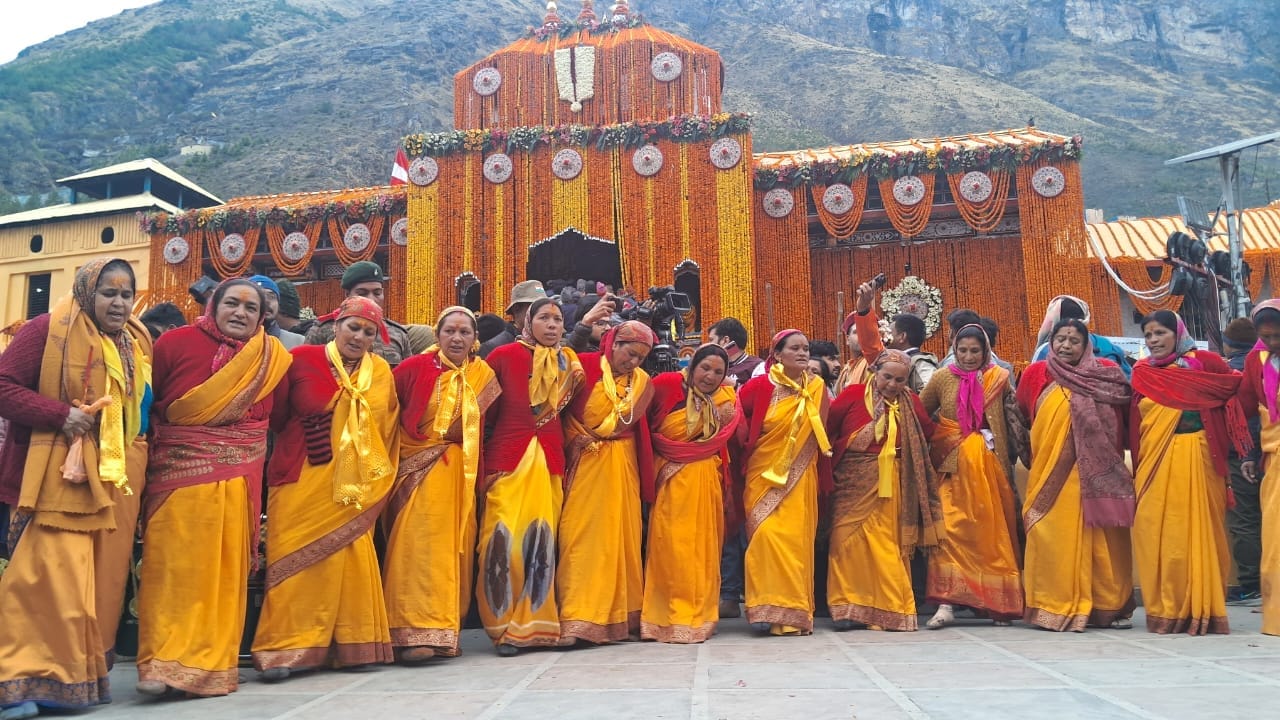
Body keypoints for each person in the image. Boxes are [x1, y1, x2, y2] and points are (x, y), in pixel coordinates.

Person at [0, 258, 152, 719]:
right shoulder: (49, 329)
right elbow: (2, 384)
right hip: (44, 477)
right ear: (87, 291)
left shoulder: (127, 343)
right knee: (40, 582)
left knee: (75, 589)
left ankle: (66, 681)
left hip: (98, 485)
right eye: (109, 292)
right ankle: (17, 683)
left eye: (127, 294)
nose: (120, 302)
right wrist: (59, 415)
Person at [137, 278, 291, 697]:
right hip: (177, 474)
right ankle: (159, 663)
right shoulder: (172, 345)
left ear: (263, 318)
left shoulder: (272, 357)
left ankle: (210, 666)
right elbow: (148, 407)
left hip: (241, 478)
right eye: (232, 304)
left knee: (224, 570)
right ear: (213, 304)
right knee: (171, 568)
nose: (240, 313)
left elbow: (275, 421)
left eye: (251, 308)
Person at [252, 296, 400, 679]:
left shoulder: (381, 372)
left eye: (368, 332)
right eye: (353, 327)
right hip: (302, 475)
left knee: (349, 559)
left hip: (354, 486)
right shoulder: (302, 360)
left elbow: (386, 428)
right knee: (294, 563)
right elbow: (279, 417)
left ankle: (352, 645)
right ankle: (284, 650)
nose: (359, 336)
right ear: (337, 326)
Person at [385, 307, 500, 661]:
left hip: (460, 478)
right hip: (416, 472)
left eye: (465, 332)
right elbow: (388, 415)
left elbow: (489, 426)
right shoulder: (412, 369)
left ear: (474, 338)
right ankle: (408, 633)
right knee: (416, 550)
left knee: (455, 551)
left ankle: (444, 633)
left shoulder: (484, 375)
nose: (457, 338)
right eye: (450, 331)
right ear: (437, 336)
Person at [477, 298, 584, 656]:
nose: (552, 325)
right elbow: (483, 414)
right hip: (508, 459)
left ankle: (534, 626)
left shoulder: (570, 364)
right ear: (528, 321)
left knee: (540, 543)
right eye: (544, 318)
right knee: (501, 540)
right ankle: (502, 627)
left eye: (557, 319)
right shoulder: (503, 357)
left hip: (549, 460)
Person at [1130, 310, 1247, 635]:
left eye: (1160, 333)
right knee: (1156, 532)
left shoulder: (1204, 363)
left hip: (1200, 457)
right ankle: (1166, 608)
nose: (1153, 340)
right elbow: (1134, 422)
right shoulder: (1142, 372)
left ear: (1177, 333)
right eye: (1149, 335)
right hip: (1156, 462)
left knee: (1200, 532)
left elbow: (1233, 389)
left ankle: (1202, 608)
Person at [1017, 319, 1136, 632]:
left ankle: (1105, 607)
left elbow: (1122, 423)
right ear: (1050, 342)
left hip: (1097, 478)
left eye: (1074, 340)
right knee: (1050, 533)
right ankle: (1052, 605)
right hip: (1050, 473)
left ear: (1086, 346)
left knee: (1101, 539)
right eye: (1060, 339)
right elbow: (1023, 416)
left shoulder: (1107, 375)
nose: (1065, 346)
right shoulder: (1035, 374)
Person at [825, 349, 940, 631]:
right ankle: (847, 608)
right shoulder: (852, 396)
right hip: (851, 480)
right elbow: (829, 428)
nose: (891, 384)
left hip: (894, 484)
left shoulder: (911, 403)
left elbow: (927, 432)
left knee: (887, 546)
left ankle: (889, 608)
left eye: (899, 380)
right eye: (887, 377)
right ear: (875, 372)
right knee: (844, 542)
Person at [919, 323, 1025, 629]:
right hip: (950, 467)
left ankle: (997, 604)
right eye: (962, 350)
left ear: (986, 350)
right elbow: (922, 414)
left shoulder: (1000, 379)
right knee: (949, 532)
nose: (967, 356)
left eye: (974, 351)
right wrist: (942, 438)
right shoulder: (941, 378)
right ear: (953, 348)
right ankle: (946, 603)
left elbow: (1014, 420)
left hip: (990, 469)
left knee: (989, 536)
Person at [557, 321, 656, 644]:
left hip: (622, 464)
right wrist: (576, 439)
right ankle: (578, 618)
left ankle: (619, 618)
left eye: (641, 357)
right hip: (585, 463)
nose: (634, 362)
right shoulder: (583, 367)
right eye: (630, 353)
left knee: (621, 538)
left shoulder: (642, 383)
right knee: (581, 537)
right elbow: (557, 414)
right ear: (612, 344)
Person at [641, 344, 743, 643]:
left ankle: (698, 616)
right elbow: (643, 431)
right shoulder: (666, 385)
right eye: (705, 368)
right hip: (669, 480)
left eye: (718, 372)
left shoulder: (726, 399)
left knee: (702, 548)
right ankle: (663, 617)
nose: (710, 376)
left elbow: (738, 442)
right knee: (670, 546)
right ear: (693, 364)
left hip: (706, 482)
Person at [737, 330, 832, 636]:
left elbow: (821, 434)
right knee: (765, 539)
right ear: (777, 354)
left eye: (806, 348)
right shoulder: (758, 386)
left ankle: (791, 612)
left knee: (793, 542)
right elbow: (738, 423)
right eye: (795, 348)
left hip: (801, 476)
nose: (803, 353)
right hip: (762, 475)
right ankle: (763, 607)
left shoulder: (817, 387)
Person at [708, 316, 764, 619]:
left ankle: (755, 592)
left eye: (714, 339)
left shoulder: (756, 369)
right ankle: (727, 594)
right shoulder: (708, 371)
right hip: (713, 460)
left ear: (728, 341)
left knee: (746, 528)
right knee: (726, 528)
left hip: (747, 460)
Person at [1239, 302, 1280, 632]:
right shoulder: (1256, 361)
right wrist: (1248, 455)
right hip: (1274, 458)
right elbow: (1248, 412)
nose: (1272, 343)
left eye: (1278, 336)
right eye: (1265, 337)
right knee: (1275, 537)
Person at [1223, 316, 1262, 604]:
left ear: (1228, 345)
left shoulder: (1228, 374)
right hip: (1266, 452)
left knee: (1245, 520)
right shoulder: (1264, 364)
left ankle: (1251, 584)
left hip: (1243, 455)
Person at [305, 261, 411, 366]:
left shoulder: (398, 334)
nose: (371, 299)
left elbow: (408, 375)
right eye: (362, 293)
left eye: (377, 293)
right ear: (347, 294)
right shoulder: (322, 330)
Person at [1031, 295, 1131, 378]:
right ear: (1085, 317)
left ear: (1054, 319)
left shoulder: (1047, 350)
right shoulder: (1106, 343)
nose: (1066, 346)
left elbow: (1033, 385)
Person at [835, 283, 887, 394]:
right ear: (847, 339)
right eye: (856, 332)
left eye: (865, 331)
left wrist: (863, 309)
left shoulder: (877, 359)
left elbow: (870, 344)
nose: (862, 335)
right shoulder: (846, 369)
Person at [479, 280, 547, 358]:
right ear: (516, 309)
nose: (542, 313)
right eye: (535, 307)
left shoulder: (548, 343)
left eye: (544, 307)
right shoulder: (493, 347)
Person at [249, 275, 305, 350]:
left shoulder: (298, 342)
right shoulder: (233, 342)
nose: (266, 301)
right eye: (258, 296)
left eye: (271, 296)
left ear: (279, 304)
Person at [887, 313, 937, 394]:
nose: (884, 337)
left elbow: (931, 396)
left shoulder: (921, 363)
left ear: (902, 336)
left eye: (889, 333)